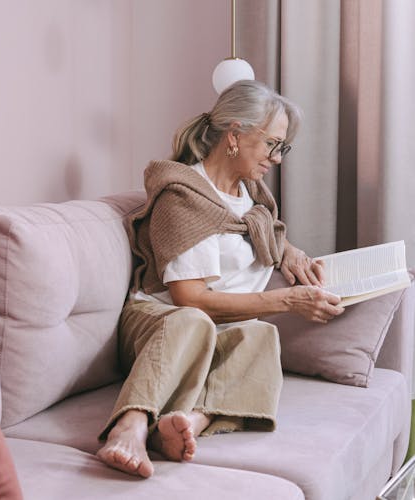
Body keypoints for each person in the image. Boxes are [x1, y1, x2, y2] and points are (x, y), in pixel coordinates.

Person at [96, 80, 345, 478]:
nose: (277, 159)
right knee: (193, 320)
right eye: (272, 145)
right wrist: (289, 300)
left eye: (282, 148)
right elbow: (191, 300)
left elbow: (257, 230)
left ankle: (187, 424)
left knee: (261, 336)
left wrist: (289, 250)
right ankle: (131, 425)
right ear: (235, 134)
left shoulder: (251, 194)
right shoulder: (185, 197)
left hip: (217, 329)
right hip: (162, 326)